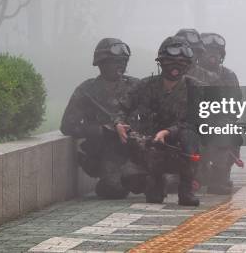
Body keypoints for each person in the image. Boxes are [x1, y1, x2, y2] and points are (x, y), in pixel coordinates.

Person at [116, 36, 204, 206]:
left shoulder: (196, 89)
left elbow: (196, 121)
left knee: (190, 137)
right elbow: (122, 107)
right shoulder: (145, 85)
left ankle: (186, 189)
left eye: (180, 62)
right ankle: (156, 181)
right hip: (149, 145)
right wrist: (118, 123)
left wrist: (167, 132)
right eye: (170, 61)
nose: (175, 67)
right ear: (161, 63)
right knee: (134, 183)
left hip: (180, 146)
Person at [60, 38, 139, 199]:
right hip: (107, 149)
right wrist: (103, 129)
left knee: (166, 182)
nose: (121, 66)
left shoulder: (136, 86)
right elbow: (68, 125)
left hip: (136, 147)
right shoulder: (87, 90)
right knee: (114, 190)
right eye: (115, 62)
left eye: (123, 62)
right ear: (101, 63)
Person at [198, 32, 244, 194]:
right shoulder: (189, 73)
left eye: (217, 52)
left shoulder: (228, 76)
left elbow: (235, 107)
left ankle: (220, 174)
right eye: (208, 52)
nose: (213, 56)